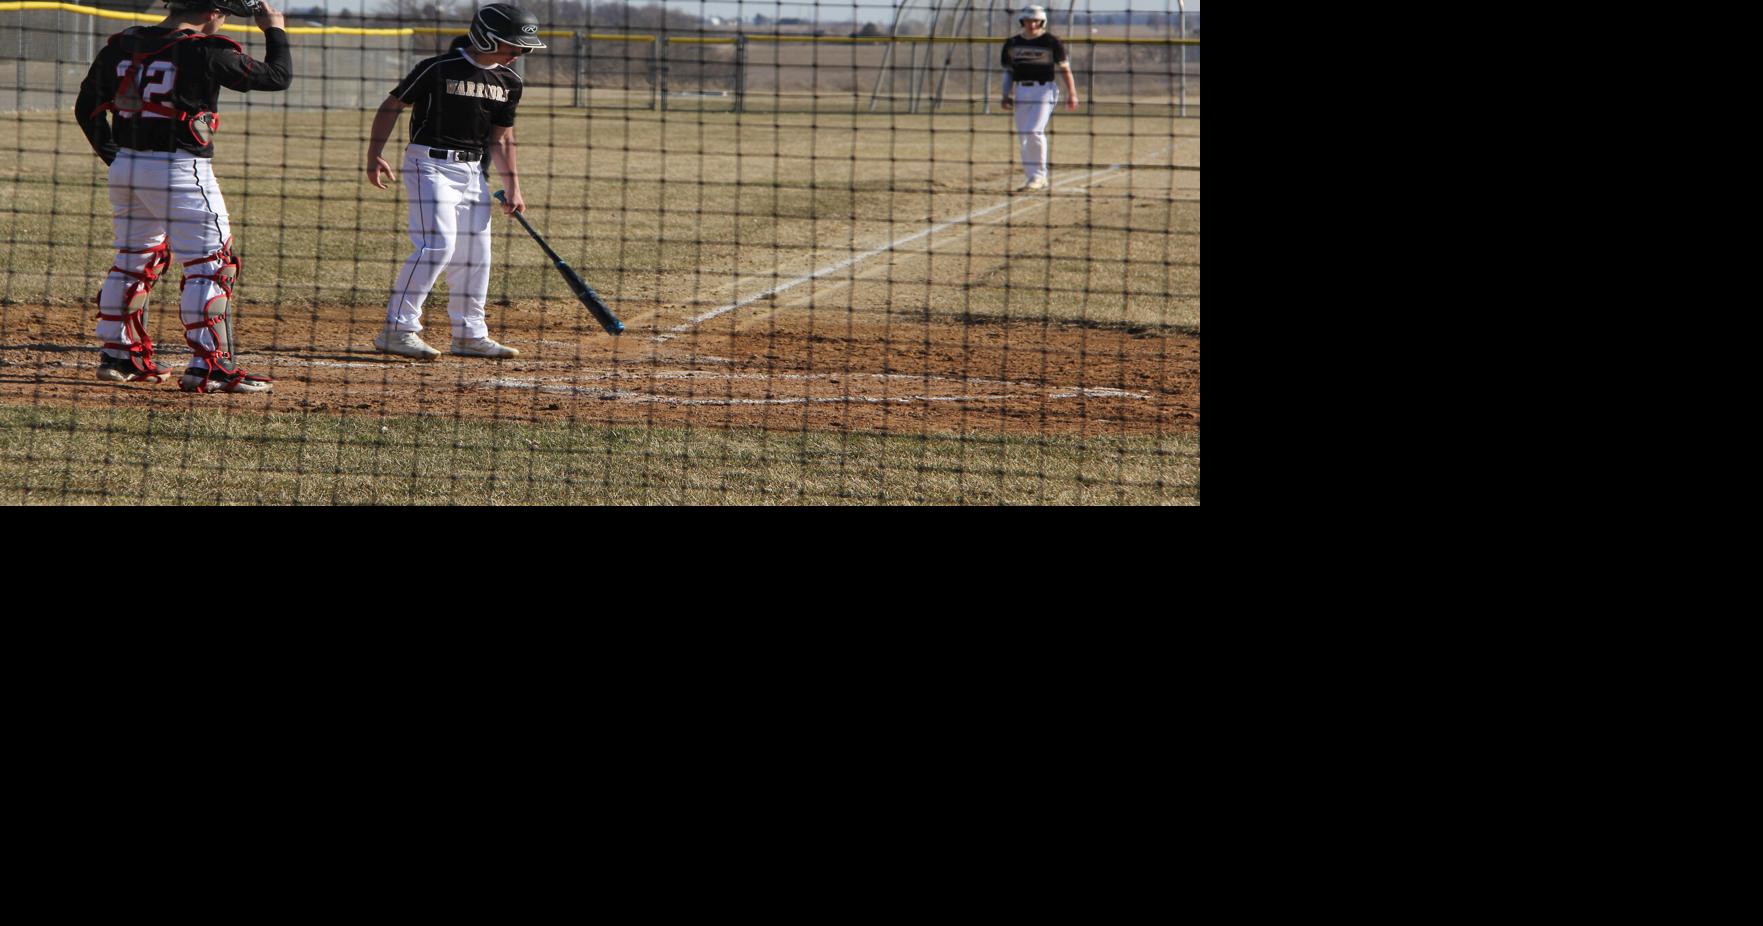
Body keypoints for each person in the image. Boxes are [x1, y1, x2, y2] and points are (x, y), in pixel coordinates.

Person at [75, 0, 292, 393]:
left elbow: (85, 108)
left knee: (135, 258)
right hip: (180, 169)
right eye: (224, 14)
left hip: (127, 168)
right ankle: (211, 368)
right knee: (212, 264)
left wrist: (116, 157)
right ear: (211, 11)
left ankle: (119, 356)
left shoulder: (119, 46)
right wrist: (273, 29)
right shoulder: (204, 50)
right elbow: (277, 77)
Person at [365, 3, 542, 361]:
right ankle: (397, 329)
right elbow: (392, 105)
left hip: (473, 172)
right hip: (428, 164)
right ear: (487, 39)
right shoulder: (438, 68)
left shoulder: (510, 82)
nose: (520, 55)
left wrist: (514, 185)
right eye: (515, 47)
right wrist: (374, 153)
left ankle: (469, 335)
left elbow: (502, 138)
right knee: (437, 245)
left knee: (477, 256)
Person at [1000, 5, 1079, 193]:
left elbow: (1065, 69)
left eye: (1035, 21)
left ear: (1042, 22)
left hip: (1044, 90)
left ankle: (1039, 176)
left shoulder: (1051, 42)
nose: (1031, 24)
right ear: (1022, 22)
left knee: (1033, 131)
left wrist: (1072, 93)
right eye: (1028, 21)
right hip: (1021, 90)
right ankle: (1032, 177)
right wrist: (1005, 94)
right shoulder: (1012, 43)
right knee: (1023, 136)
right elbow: (1008, 72)